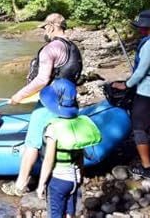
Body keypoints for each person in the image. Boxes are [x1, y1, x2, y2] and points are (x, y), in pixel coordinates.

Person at [2, 13, 83, 196]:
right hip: (69, 101)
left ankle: (20, 186)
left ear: (52, 27)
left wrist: (18, 95)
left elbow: (41, 79)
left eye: (45, 28)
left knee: (32, 143)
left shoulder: (50, 49)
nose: (44, 32)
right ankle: (70, 176)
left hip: (50, 103)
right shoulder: (73, 47)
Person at [112, 10, 150, 179]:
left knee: (139, 129)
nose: (140, 29)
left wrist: (125, 84)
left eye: (142, 26)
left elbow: (140, 72)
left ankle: (147, 168)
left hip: (148, 92)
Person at [36, 79, 101, 218]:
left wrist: (41, 184)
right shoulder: (79, 125)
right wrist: (81, 176)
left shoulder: (53, 129)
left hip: (58, 181)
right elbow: (80, 156)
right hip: (75, 179)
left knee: (56, 214)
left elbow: (48, 160)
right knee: (69, 213)